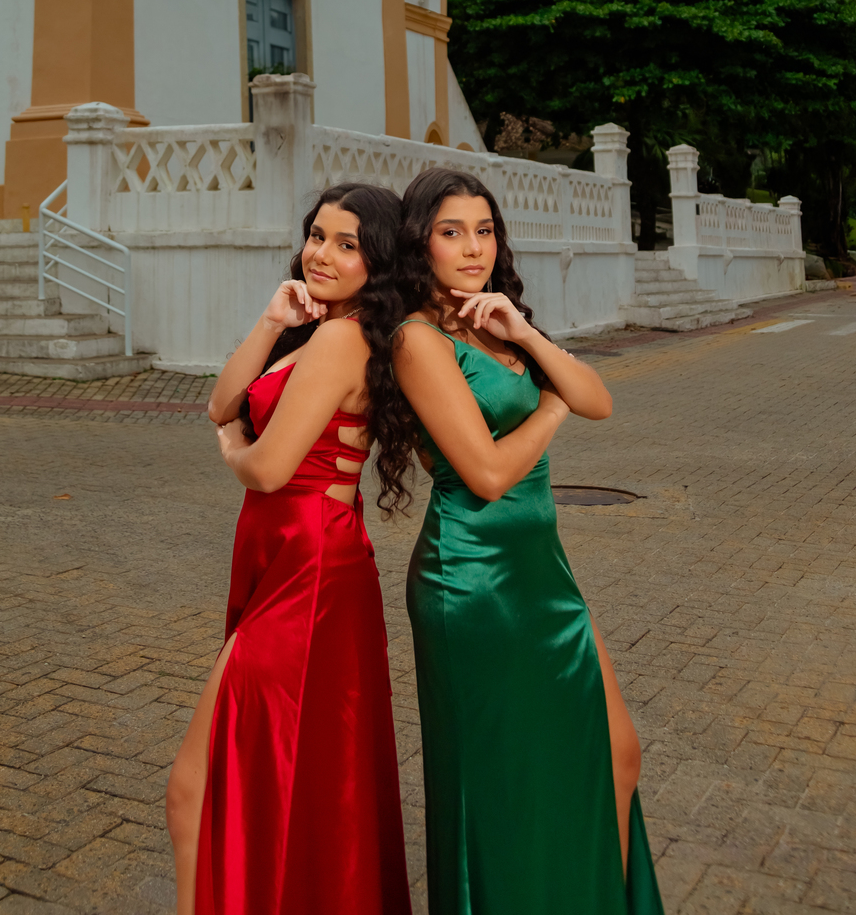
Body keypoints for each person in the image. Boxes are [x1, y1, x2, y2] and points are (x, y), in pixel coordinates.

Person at [393, 166, 665, 915]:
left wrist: (522, 333)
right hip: (473, 579)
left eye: (484, 231)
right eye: (452, 232)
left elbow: (598, 400)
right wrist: (549, 411)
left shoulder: (492, 320)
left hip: (542, 571)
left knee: (617, 755)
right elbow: (484, 474)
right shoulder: (416, 338)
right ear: (420, 242)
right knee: (504, 790)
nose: (473, 248)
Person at [165, 182, 415, 915]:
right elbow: (220, 402)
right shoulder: (318, 328)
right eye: (316, 236)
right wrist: (273, 320)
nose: (322, 255)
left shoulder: (342, 338)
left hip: (307, 570)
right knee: (289, 784)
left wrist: (233, 450)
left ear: (379, 261)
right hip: (289, 557)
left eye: (347, 244)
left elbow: (268, 467)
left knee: (193, 791)